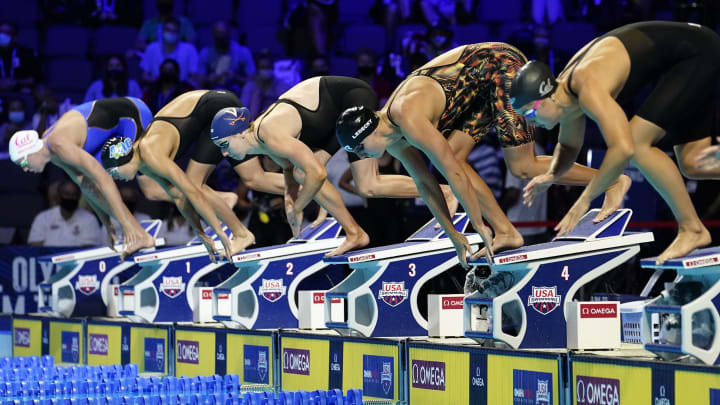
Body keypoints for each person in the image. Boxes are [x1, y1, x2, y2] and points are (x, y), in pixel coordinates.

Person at [336, 42, 630, 263]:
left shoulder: (407, 116)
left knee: (522, 166)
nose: (362, 157)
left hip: (501, 67)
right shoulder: (395, 138)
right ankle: (506, 232)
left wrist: (478, 226)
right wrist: (454, 235)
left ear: (370, 132)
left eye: (359, 149)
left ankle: (613, 180)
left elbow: (451, 172)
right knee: (456, 157)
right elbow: (427, 185)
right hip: (478, 88)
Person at [516, 21, 720, 264]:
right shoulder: (564, 95)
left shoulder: (585, 82)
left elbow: (623, 148)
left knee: (635, 140)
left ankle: (692, 229)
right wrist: (551, 175)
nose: (531, 123)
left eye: (530, 114)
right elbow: (569, 146)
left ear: (546, 96)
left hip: (695, 52)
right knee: (693, 163)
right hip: (688, 57)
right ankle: (692, 228)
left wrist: (584, 201)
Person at [210, 76, 458, 256]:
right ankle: (354, 233)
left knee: (368, 184)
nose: (223, 152)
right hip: (328, 116)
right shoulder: (262, 141)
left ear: (240, 133)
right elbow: (290, 171)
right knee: (299, 171)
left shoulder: (269, 133)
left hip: (351, 98)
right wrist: (291, 199)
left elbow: (318, 173)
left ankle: (445, 192)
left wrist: (298, 207)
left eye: (223, 144)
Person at [100, 90, 255, 260]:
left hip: (219, 107)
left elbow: (191, 192)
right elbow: (179, 197)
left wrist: (219, 233)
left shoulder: (151, 154)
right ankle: (226, 204)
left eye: (114, 172)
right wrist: (201, 233)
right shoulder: (143, 163)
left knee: (196, 186)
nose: (116, 178)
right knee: (258, 179)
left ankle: (241, 234)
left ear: (124, 160)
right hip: (208, 111)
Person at [9, 97, 156, 257]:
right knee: (92, 182)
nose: (25, 170)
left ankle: (143, 232)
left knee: (150, 190)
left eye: (22, 164)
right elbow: (86, 186)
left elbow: (103, 179)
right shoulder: (52, 151)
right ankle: (140, 233)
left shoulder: (58, 144)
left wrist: (127, 227)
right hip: (115, 128)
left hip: (133, 115)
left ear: (30, 151)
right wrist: (107, 224)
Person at [28, 180, 102, 247]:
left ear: (79, 197)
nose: (70, 197)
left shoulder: (90, 219)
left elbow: (90, 249)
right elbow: (34, 246)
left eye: (74, 194)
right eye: (66, 194)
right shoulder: (43, 218)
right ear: (59, 197)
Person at [140, 18, 200, 86]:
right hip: (156, 88)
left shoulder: (189, 49)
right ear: (162, 31)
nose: (171, 33)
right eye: (168, 30)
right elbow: (144, 75)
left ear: (179, 33)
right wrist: (157, 83)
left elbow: (194, 76)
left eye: (174, 31)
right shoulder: (151, 48)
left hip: (182, 90)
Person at [199, 21, 256, 91]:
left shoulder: (243, 52)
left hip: (237, 93)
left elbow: (252, 80)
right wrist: (209, 79)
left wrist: (235, 77)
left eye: (223, 37)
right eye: (218, 38)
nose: (221, 40)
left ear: (229, 35)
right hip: (212, 93)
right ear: (213, 35)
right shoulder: (205, 53)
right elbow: (198, 80)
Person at [0, 21, 41, 92]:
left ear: (15, 37)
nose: (2, 36)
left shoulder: (27, 54)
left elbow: (35, 78)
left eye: (7, 33)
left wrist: (16, 82)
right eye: (0, 32)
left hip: (19, 91)